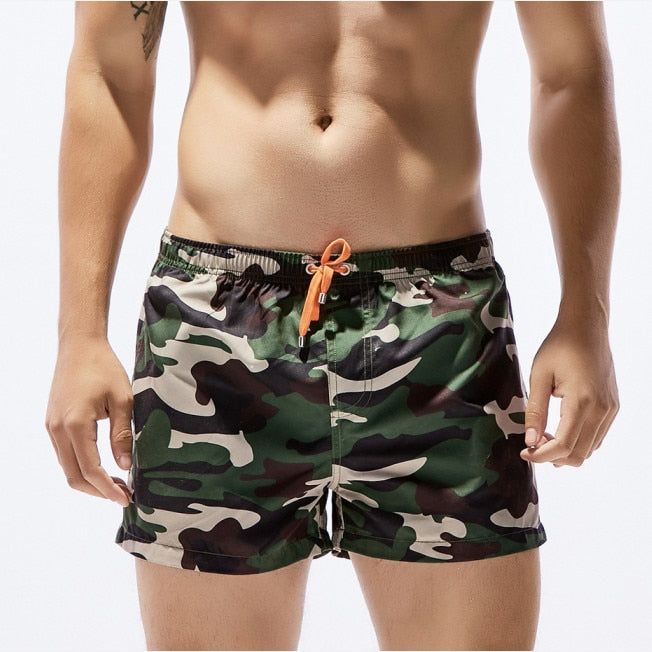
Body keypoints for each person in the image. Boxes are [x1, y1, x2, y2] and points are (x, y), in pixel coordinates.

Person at [45, 1, 620, 650]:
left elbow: (571, 72)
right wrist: (79, 334)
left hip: (440, 331)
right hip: (215, 330)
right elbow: (111, 72)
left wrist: (586, 316)